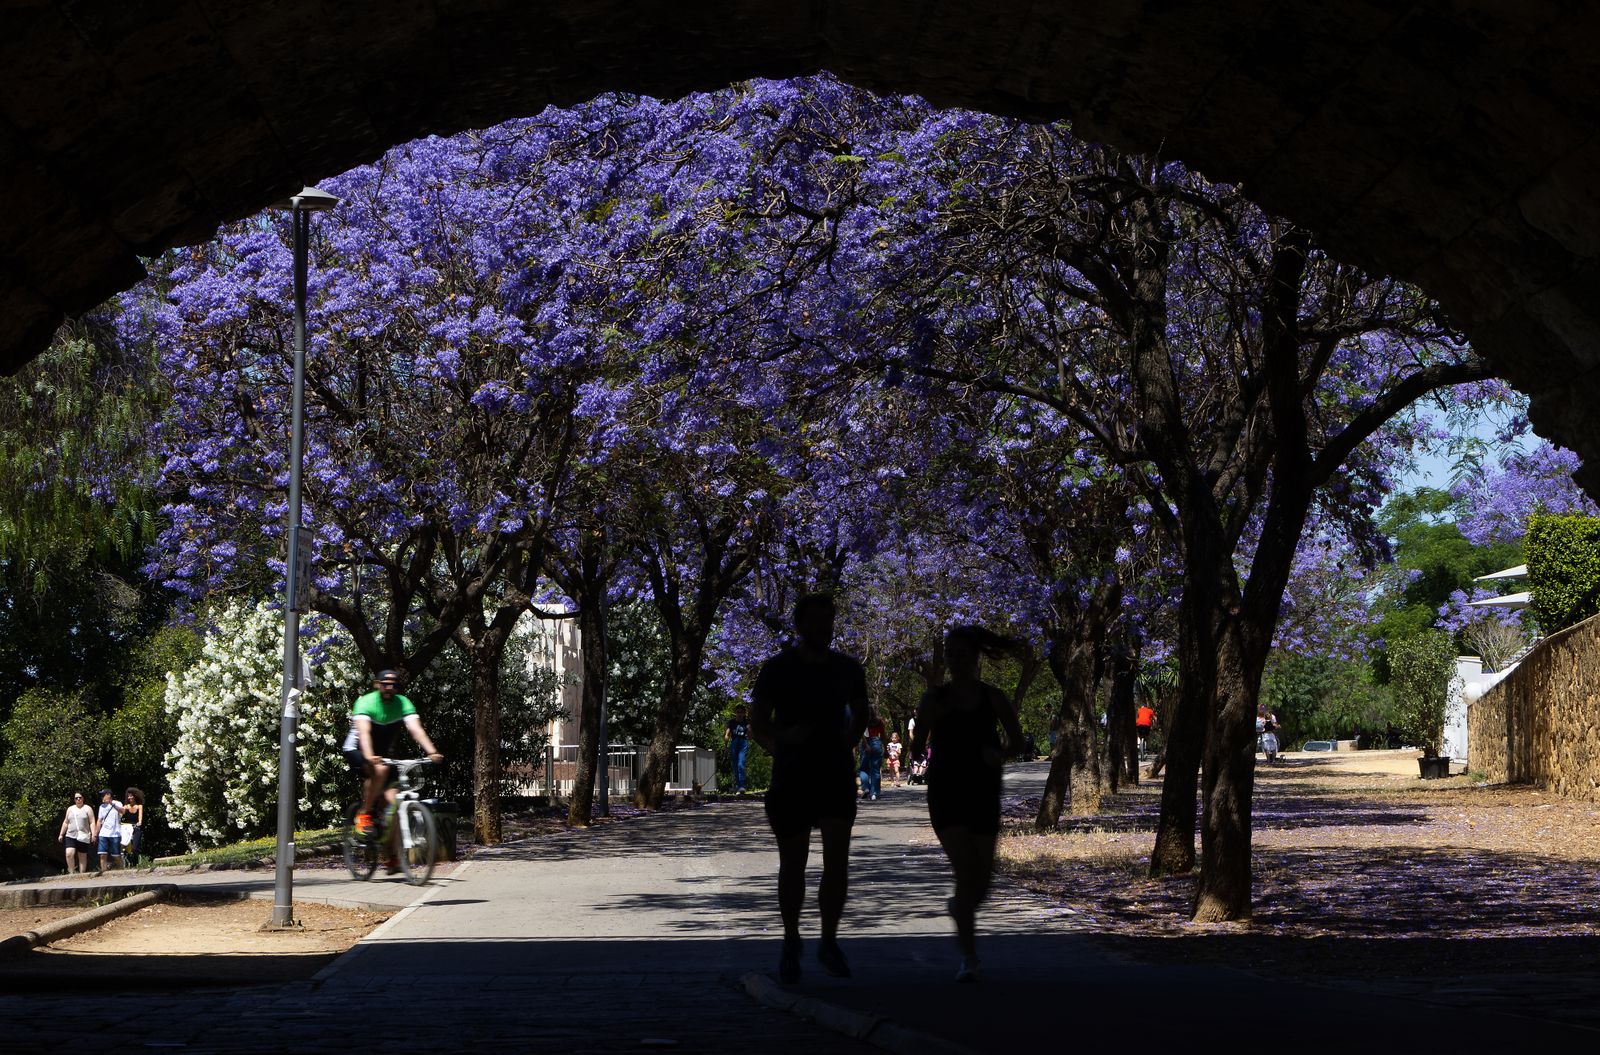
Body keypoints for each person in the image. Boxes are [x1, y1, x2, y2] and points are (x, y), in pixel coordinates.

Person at [750, 591, 868, 984]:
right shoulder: (778, 669)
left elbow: (861, 716)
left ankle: (829, 940)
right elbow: (759, 723)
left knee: (837, 861)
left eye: (827, 620)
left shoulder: (848, 669)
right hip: (793, 777)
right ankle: (791, 939)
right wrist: (783, 743)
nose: (822, 627)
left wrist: (846, 742)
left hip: (834, 774)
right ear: (800, 626)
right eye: (814, 620)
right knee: (793, 864)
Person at [912, 625, 1025, 983]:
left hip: (983, 792)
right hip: (946, 793)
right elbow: (917, 746)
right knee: (965, 871)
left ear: (975, 658)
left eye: (962, 653)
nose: (955, 659)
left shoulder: (993, 697)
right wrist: (918, 750)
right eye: (950, 653)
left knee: (983, 879)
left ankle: (960, 911)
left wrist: (1000, 754)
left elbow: (1019, 741)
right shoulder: (934, 699)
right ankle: (969, 958)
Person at [342, 670, 443, 871]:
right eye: (385, 684)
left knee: (394, 801)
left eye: (393, 685)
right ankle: (364, 814)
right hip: (357, 748)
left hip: (383, 754)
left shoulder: (403, 703)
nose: (389, 688)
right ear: (377, 684)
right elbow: (364, 733)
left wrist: (432, 752)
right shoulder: (366, 703)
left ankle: (392, 855)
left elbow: (416, 730)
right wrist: (369, 756)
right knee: (378, 770)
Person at [58, 792, 94, 874]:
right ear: (74, 799)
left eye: (80, 797)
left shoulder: (87, 808)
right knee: (69, 853)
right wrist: (61, 834)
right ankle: (71, 873)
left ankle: (82, 874)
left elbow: (92, 822)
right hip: (70, 835)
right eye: (76, 798)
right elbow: (66, 822)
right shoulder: (70, 809)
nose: (78, 799)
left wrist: (93, 834)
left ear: (83, 798)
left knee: (82, 856)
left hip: (83, 835)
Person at [725, 704, 753, 794]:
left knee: (741, 763)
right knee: (735, 765)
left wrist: (749, 730)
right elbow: (727, 735)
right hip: (734, 743)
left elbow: (750, 737)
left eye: (741, 712)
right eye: (738, 712)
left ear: (744, 713)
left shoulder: (746, 722)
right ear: (735, 713)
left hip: (743, 743)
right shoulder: (731, 722)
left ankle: (742, 786)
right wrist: (725, 747)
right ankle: (738, 786)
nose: (739, 714)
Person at [95, 788, 124, 871]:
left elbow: (123, 811)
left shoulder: (117, 803)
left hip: (115, 833)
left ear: (108, 795)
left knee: (116, 855)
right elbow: (99, 820)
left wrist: (112, 804)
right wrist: (95, 833)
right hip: (103, 833)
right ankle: (104, 872)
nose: (102, 797)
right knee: (102, 854)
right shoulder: (101, 807)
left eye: (103, 795)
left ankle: (121, 869)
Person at [859, 713, 885, 800]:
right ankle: (875, 793)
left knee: (863, 768)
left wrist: (866, 745)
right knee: (875, 769)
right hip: (876, 743)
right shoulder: (879, 721)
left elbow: (863, 734)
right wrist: (885, 748)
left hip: (865, 744)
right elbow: (883, 735)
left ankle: (866, 788)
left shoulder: (863, 720)